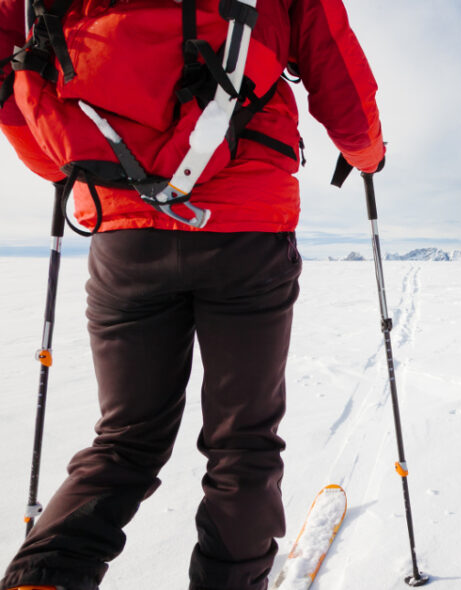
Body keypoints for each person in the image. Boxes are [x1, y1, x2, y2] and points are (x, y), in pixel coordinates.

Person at [0, 0, 384, 588]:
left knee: (125, 441)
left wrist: (63, 166)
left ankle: (42, 580)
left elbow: (10, 71)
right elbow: (338, 74)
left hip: (123, 228)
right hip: (247, 229)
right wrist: (367, 155)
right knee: (244, 445)